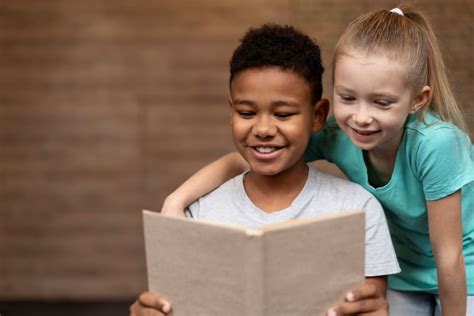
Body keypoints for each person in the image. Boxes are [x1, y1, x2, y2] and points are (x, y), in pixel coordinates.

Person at [160, 5, 474, 316]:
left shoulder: (437, 145)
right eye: (348, 98)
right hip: (406, 272)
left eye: (381, 102)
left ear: (418, 99)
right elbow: (241, 161)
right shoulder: (338, 133)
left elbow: (449, 256)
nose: (361, 118)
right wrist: (176, 201)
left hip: (464, 267)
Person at [130, 24, 400, 316]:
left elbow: (369, 302)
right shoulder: (198, 214)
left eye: (283, 114)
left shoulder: (357, 210)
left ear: (318, 115)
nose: (262, 129)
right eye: (246, 113)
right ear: (230, 110)